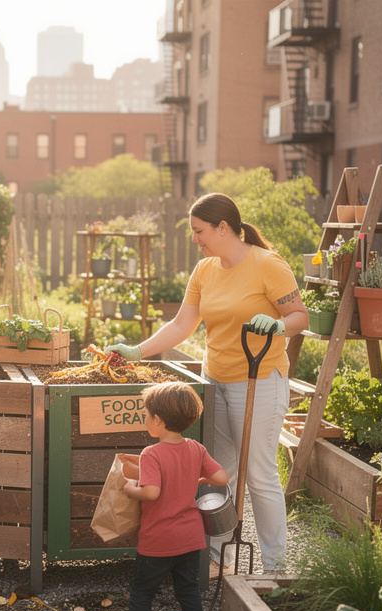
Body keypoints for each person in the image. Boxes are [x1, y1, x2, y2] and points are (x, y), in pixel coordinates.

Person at [106, 193, 307, 574]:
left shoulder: (268, 264)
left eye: (199, 231)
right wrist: (138, 350)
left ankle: (275, 566)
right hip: (215, 380)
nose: (194, 238)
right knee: (218, 471)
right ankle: (219, 558)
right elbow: (182, 324)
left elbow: (300, 316)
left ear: (223, 227)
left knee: (259, 472)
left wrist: (279, 325)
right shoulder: (205, 270)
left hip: (259, 380)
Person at [104, 382, 230, 611]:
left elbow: (151, 492)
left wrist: (130, 489)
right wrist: (200, 478)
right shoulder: (196, 448)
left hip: (159, 539)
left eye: (146, 414)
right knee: (188, 590)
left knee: (142, 592)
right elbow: (222, 478)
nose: (145, 418)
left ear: (158, 420)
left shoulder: (152, 453)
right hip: (191, 538)